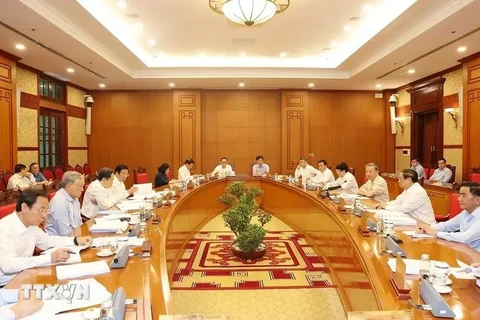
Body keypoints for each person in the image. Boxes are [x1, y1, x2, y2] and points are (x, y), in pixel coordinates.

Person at [0, 189, 92, 286]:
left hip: (27, 274)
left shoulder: (31, 225)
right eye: (41, 210)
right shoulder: (4, 228)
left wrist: (75, 240)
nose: (44, 216)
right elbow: (8, 265)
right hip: (7, 285)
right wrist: (49, 258)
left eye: (46, 211)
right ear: (24, 208)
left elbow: (47, 241)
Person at [419, 182, 480, 251]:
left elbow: (465, 238)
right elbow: (447, 225)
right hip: (465, 250)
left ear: (477, 200)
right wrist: (428, 228)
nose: (459, 199)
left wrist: (436, 233)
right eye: (459, 195)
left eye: (464, 196)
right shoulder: (465, 213)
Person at [45, 172, 84, 236]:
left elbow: (79, 223)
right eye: (80, 186)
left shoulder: (74, 198)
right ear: (69, 186)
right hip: (60, 242)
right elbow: (65, 234)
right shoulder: (59, 203)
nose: (82, 189)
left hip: (74, 236)